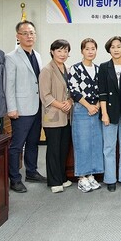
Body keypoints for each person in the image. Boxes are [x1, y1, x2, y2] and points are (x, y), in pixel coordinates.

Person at [5, 21, 46, 193]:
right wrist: (11, 108)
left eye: (32, 33)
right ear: (18, 36)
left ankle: (31, 172)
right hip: (20, 109)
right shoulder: (11, 57)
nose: (29, 36)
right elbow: (9, 85)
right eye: (25, 33)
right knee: (17, 145)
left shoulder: (37, 55)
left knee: (33, 142)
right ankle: (14, 179)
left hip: (36, 107)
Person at [69, 38, 104, 193]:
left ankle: (91, 174)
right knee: (82, 143)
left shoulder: (99, 69)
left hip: (96, 109)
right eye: (87, 49)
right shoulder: (75, 69)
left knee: (95, 143)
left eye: (93, 49)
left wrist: (96, 106)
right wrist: (89, 106)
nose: (90, 52)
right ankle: (82, 176)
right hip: (82, 109)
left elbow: (102, 90)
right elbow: (74, 91)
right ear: (82, 51)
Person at [39, 39, 73, 193]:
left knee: (63, 149)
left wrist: (70, 102)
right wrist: (61, 105)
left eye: (65, 51)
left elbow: (72, 91)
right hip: (53, 116)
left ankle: (62, 177)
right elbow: (45, 95)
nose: (62, 54)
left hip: (66, 116)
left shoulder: (68, 69)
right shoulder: (47, 70)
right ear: (52, 52)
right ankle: (54, 181)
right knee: (53, 149)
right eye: (59, 50)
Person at [98, 36, 121, 192]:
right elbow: (102, 92)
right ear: (109, 50)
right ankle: (110, 179)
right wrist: (104, 113)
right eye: (113, 47)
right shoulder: (104, 67)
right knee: (109, 147)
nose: (116, 49)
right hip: (109, 113)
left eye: (119, 46)